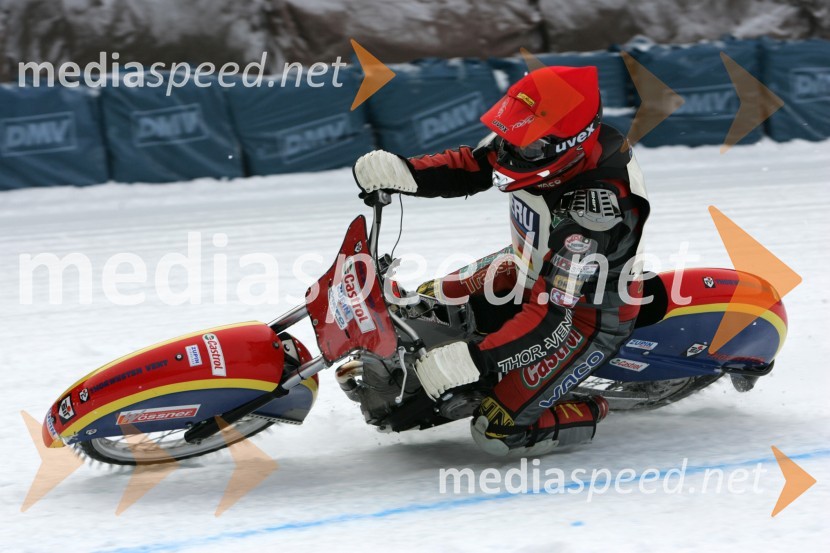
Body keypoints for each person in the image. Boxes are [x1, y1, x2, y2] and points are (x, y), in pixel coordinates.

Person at [352, 65, 650, 456]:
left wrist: (478, 359)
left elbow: (553, 317)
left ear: (569, 145)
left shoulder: (591, 218)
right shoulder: (533, 144)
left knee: (495, 432)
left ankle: (590, 407)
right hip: (526, 265)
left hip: (584, 314)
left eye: (526, 145)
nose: (509, 149)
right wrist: (406, 173)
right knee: (427, 301)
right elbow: (473, 165)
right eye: (511, 134)